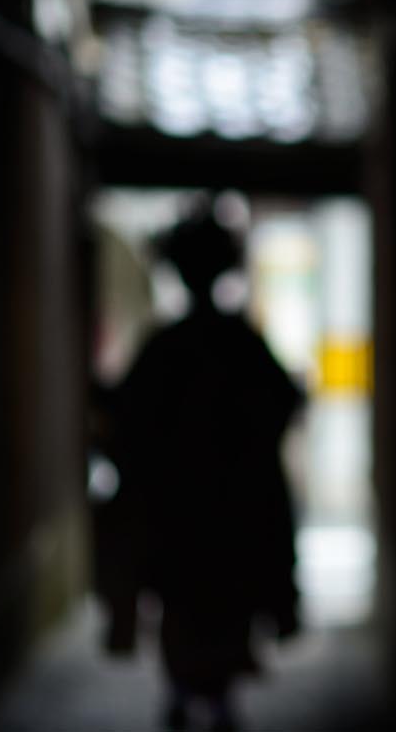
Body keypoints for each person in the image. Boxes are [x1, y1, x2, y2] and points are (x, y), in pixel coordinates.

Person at [96, 198, 304, 732]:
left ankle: (189, 684)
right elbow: (283, 403)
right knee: (225, 596)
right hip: (231, 509)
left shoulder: (166, 346)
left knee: (182, 601)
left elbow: (126, 421)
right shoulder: (239, 343)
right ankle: (216, 682)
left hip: (175, 512)